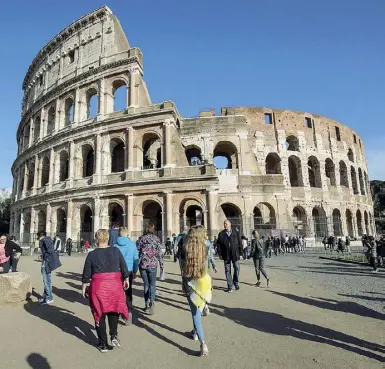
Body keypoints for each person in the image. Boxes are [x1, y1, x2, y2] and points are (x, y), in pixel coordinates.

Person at [82, 229, 129, 352]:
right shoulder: (116, 250)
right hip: (114, 285)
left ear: (96, 239)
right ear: (107, 238)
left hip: (99, 286)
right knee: (113, 310)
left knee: (99, 313)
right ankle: (113, 334)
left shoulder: (92, 254)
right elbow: (124, 267)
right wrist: (126, 279)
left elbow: (86, 273)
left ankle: (103, 344)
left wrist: (84, 286)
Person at [179, 225, 212, 356]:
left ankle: (203, 343)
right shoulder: (206, 247)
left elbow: (182, 268)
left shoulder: (185, 248)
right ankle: (194, 332)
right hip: (203, 281)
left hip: (190, 282)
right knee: (198, 309)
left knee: (195, 313)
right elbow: (207, 266)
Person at [136, 222, 164, 315]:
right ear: (153, 229)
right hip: (153, 264)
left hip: (143, 264)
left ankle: (146, 304)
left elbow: (137, 252)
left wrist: (135, 266)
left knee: (146, 285)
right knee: (152, 284)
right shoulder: (157, 239)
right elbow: (159, 253)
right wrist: (162, 266)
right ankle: (152, 302)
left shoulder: (141, 239)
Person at [113, 227, 139, 325]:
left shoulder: (115, 246)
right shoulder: (132, 245)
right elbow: (136, 259)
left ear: (119, 234)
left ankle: (119, 311)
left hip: (117, 271)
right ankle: (129, 313)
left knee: (118, 292)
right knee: (128, 292)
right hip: (128, 271)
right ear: (127, 234)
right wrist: (135, 271)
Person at [216, 220, 242, 293]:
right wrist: (220, 254)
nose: (225, 225)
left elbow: (240, 243)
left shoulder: (236, 233)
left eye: (226, 224)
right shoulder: (221, 234)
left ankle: (235, 282)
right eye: (224, 224)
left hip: (235, 254)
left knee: (237, 268)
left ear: (230, 224)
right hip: (226, 254)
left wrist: (241, 254)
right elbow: (218, 245)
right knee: (227, 270)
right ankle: (230, 286)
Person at [38, 230, 61, 304]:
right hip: (45, 262)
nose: (37, 238)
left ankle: (49, 297)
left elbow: (50, 250)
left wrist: (45, 256)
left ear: (41, 236)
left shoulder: (45, 240)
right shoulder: (46, 240)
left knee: (46, 281)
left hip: (46, 263)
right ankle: (45, 296)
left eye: (38, 236)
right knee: (47, 280)